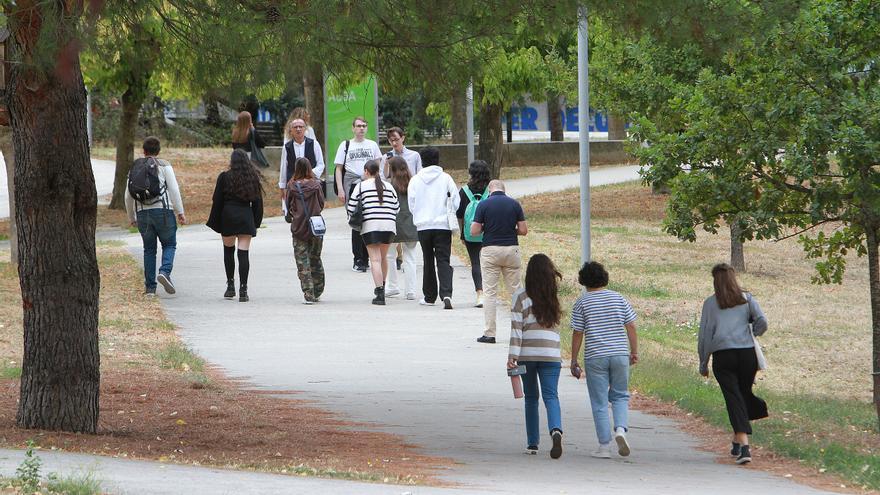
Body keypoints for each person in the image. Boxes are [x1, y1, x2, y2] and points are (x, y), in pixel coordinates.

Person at [698, 263, 769, 465]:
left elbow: (704, 335)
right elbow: (762, 321)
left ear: (715, 281)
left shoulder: (710, 304)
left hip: (723, 356)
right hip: (747, 355)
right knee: (741, 395)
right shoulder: (747, 299)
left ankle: (745, 447)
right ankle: (737, 441)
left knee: (734, 398)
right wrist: (751, 333)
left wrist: (703, 363)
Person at [570, 261, 638, 459]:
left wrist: (574, 360)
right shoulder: (618, 298)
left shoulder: (582, 302)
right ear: (604, 277)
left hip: (595, 356)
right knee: (620, 396)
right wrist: (634, 352)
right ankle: (620, 430)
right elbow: (631, 326)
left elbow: (577, 333)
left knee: (599, 401)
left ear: (583, 281)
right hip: (619, 354)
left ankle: (604, 446)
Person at [507, 254, 565, 459]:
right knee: (551, 396)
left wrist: (512, 356)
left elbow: (517, 330)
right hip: (551, 354)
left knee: (531, 398)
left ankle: (532, 443)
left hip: (527, 355)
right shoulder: (552, 296)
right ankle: (556, 430)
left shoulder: (520, 296)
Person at [125, 136, 186, 296]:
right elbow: (173, 189)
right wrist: (180, 212)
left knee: (149, 250)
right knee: (169, 244)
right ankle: (164, 272)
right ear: (158, 151)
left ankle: (150, 289)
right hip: (163, 212)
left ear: (143, 151)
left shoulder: (135, 167)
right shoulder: (164, 165)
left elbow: (128, 196)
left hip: (142, 214)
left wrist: (132, 217)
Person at [470, 180, 527, 343]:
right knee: (516, 292)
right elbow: (523, 230)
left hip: (490, 250)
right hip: (511, 249)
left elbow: (474, 231)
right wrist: (510, 229)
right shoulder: (514, 204)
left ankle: (490, 333)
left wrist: (487, 228)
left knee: (490, 293)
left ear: (490, 190)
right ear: (504, 189)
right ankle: (522, 331)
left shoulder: (483, 204)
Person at [206, 149, 265, 302]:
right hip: (246, 216)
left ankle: (230, 285)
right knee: (243, 253)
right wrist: (255, 223)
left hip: (228, 216)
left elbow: (217, 201)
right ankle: (243, 289)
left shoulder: (224, 177)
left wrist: (215, 222)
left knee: (228, 251)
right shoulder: (252, 177)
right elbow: (258, 203)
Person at [408, 146, 459, 309]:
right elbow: (455, 201)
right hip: (443, 225)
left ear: (422, 161)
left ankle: (429, 296)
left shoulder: (415, 180)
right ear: (438, 160)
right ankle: (446, 294)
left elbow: (411, 204)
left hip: (423, 226)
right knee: (443, 259)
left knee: (428, 260)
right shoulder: (446, 178)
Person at [346, 160, 399, 305]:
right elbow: (397, 207)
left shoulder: (361, 186)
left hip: (370, 227)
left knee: (374, 259)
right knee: (383, 258)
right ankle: (382, 284)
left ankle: (379, 292)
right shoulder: (388, 186)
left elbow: (351, 207)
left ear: (366, 171)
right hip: (389, 227)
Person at [334, 116, 383, 272]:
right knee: (356, 221)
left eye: (364, 126)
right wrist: (341, 189)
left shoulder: (372, 145)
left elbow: (379, 166)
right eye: (358, 126)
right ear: (353, 128)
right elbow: (339, 168)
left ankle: (368, 257)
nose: (361, 128)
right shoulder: (346, 145)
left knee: (370, 221)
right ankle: (358, 258)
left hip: (370, 184)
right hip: (352, 185)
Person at [285, 157, 326, 304]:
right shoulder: (316, 185)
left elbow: (288, 204)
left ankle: (308, 293)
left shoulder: (292, 185)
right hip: (315, 226)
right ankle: (318, 289)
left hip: (298, 227)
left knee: (302, 261)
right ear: (310, 168)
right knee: (315, 258)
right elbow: (321, 204)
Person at [383, 126, 422, 271]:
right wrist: (387, 164)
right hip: (393, 196)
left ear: (403, 138)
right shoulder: (386, 157)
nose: (394, 143)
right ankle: (399, 261)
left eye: (397, 140)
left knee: (407, 238)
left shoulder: (414, 156)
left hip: (410, 196)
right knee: (393, 242)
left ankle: (403, 262)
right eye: (391, 140)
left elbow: (419, 175)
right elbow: (384, 177)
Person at [456, 160, 491, 308]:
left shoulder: (464, 191)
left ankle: (480, 294)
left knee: (475, 262)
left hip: (470, 233)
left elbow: (459, 214)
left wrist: (462, 233)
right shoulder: (490, 191)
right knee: (489, 263)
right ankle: (490, 293)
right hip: (489, 232)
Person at [385, 156, 419, 300]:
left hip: (393, 223)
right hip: (411, 223)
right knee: (410, 257)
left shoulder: (389, 185)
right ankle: (410, 290)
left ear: (392, 169)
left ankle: (392, 286)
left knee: (390, 256)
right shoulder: (413, 183)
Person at [279, 117, 325, 215]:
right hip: (294, 188)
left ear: (305, 129)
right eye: (295, 127)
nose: (298, 129)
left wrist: (309, 174)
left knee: (311, 212)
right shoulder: (287, 147)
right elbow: (284, 168)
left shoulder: (314, 144)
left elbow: (321, 164)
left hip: (311, 186)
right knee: (297, 213)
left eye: (301, 127)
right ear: (291, 130)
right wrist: (282, 187)